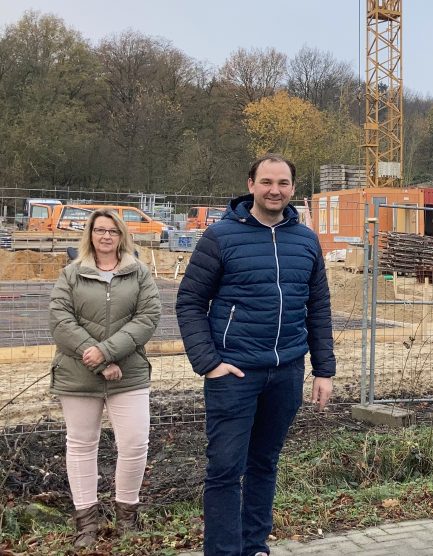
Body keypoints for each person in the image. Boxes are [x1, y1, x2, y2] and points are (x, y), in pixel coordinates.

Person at [176, 154, 337, 555]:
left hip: (286, 372)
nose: (274, 190)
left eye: (283, 183)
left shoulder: (306, 240)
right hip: (234, 374)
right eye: (266, 181)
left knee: (264, 463)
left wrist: (324, 370)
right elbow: (190, 302)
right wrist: (209, 363)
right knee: (226, 470)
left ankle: (255, 546)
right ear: (250, 184)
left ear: (293, 189)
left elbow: (318, 306)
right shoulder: (220, 237)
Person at [49, 209, 162, 548]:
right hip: (78, 374)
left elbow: (148, 318)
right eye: (99, 230)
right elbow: (59, 321)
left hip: (128, 372)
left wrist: (108, 352)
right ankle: (86, 523)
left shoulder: (139, 273)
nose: (106, 237)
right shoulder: (71, 274)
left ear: (122, 235)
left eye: (112, 231)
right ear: (90, 235)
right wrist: (98, 361)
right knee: (82, 446)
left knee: (135, 443)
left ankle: (127, 514)